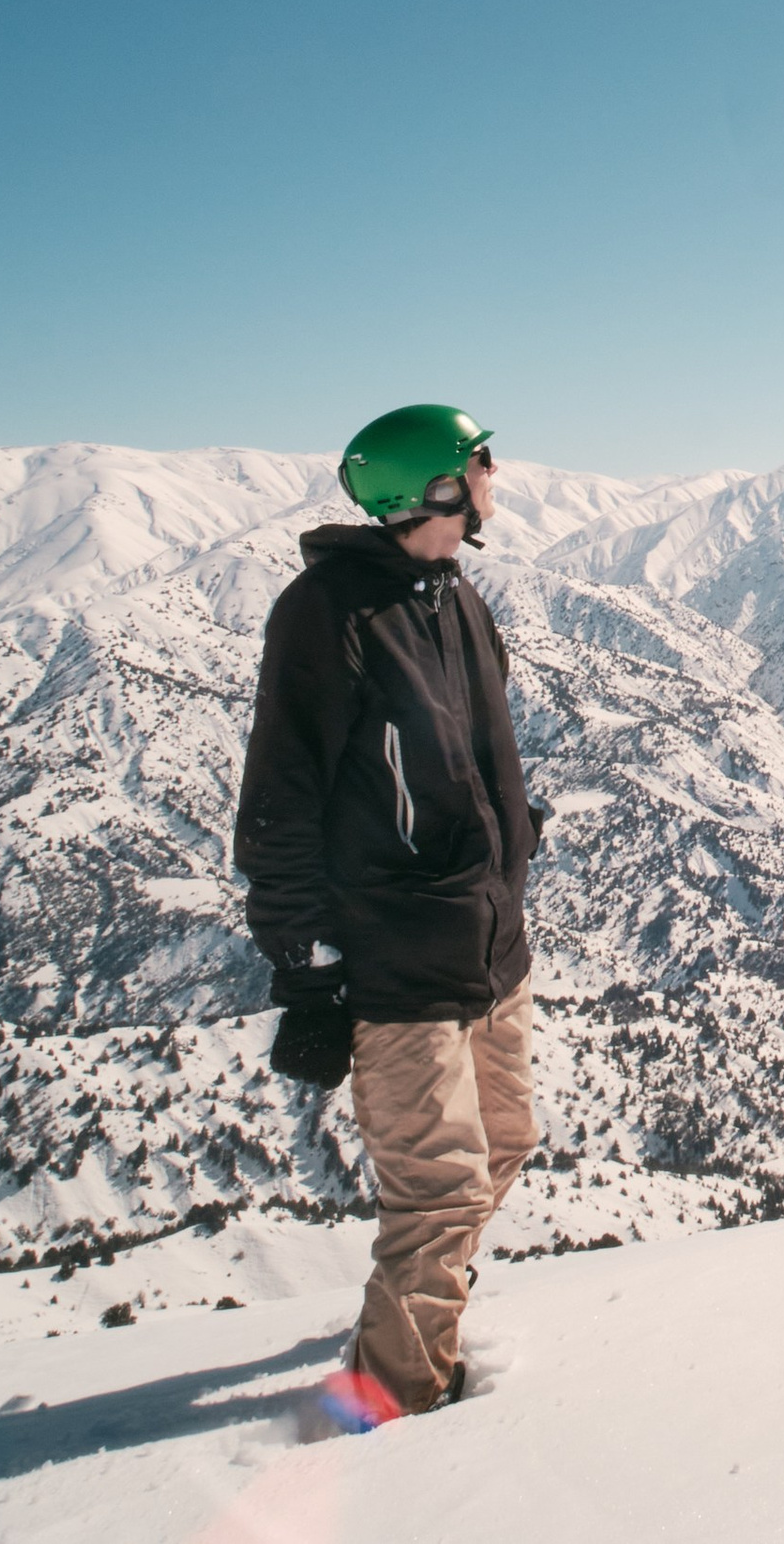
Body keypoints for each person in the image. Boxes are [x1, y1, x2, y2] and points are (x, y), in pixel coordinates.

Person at [233, 403, 547, 1419]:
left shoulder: (452, 596)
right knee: (440, 1190)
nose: (496, 474)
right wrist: (308, 968)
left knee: (505, 1142)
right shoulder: (328, 615)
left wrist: (512, 833)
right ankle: (397, 1409)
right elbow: (280, 801)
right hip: (398, 962)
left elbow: (464, 752)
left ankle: (417, 1310)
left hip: (491, 946)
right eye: (479, 461)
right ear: (437, 488)